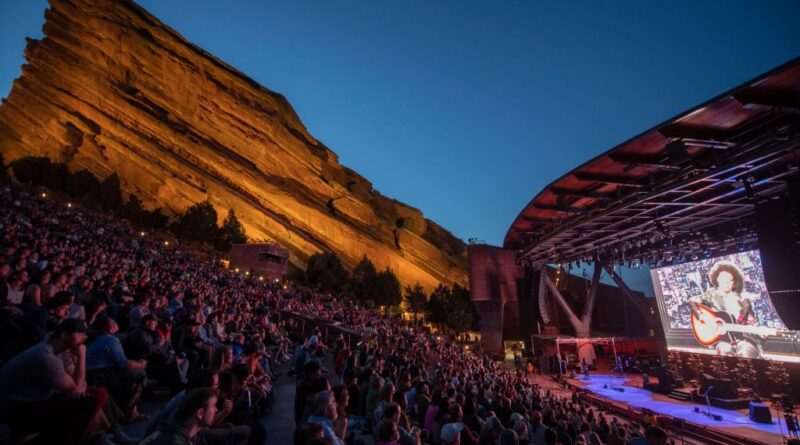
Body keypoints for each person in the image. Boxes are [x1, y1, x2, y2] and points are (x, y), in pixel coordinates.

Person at [0, 318, 107, 445]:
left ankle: (101, 437)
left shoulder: (61, 350)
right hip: (14, 412)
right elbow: (78, 390)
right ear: (64, 335)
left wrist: (77, 365)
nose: (84, 337)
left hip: (36, 401)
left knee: (98, 393)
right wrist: (82, 357)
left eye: (85, 334)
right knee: (87, 402)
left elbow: (80, 385)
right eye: (80, 333)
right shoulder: (45, 357)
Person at [139, 388, 218, 445]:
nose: (216, 410)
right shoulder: (175, 441)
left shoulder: (174, 427)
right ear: (200, 413)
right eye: (214, 406)